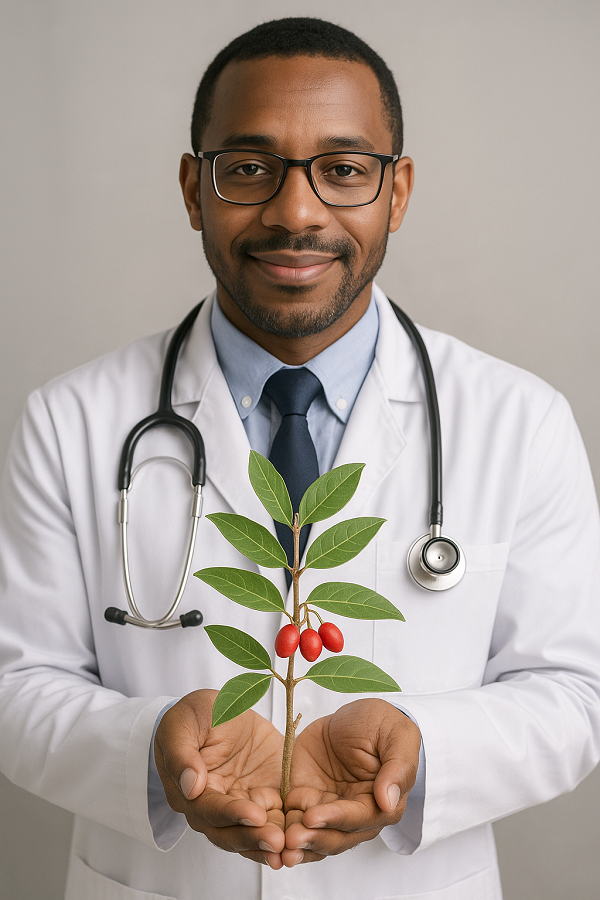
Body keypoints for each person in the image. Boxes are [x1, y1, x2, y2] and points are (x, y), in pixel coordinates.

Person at [1, 16, 599, 900]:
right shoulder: (71, 419)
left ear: (396, 193)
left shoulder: (520, 420)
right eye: (249, 169)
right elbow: (17, 686)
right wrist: (153, 746)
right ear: (192, 189)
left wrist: (424, 751)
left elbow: (574, 694)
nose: (295, 212)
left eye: (344, 170)